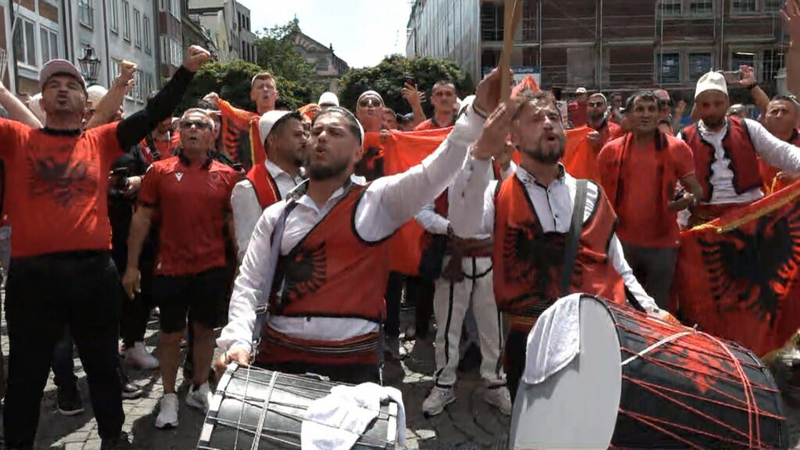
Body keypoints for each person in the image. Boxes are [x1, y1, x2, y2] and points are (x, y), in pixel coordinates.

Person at [214, 69, 507, 385]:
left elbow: (434, 171)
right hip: (280, 366)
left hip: (353, 370)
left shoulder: (377, 201)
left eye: (336, 132)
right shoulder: (276, 216)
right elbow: (249, 286)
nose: (322, 136)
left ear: (358, 152)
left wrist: (476, 113)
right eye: (316, 131)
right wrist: (238, 341)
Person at [0, 45, 210, 450]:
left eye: (71, 85)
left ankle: (113, 438)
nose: (62, 90)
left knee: (102, 367)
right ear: (41, 101)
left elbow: (150, 114)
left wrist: (184, 71)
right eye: (53, 86)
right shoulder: (16, 137)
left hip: (93, 273)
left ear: (84, 104)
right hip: (32, 276)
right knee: (26, 374)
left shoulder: (99, 141)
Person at [449, 90, 665, 400]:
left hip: (594, 338)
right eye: (536, 119)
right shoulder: (495, 195)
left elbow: (619, 268)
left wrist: (653, 313)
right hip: (529, 340)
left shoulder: (590, 193)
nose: (549, 124)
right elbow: (462, 225)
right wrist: (481, 154)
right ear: (514, 138)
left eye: (554, 118)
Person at [123, 108, 240, 429]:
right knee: (170, 334)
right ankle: (170, 395)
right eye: (186, 123)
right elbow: (142, 218)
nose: (192, 129)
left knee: (204, 331)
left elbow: (233, 223)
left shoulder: (227, 175)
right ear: (178, 132)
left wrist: (241, 265)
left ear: (212, 134)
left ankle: (200, 386)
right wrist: (131, 266)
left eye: (200, 124)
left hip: (212, 267)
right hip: (170, 267)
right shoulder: (158, 172)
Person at [415, 147, 513, 417]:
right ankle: (444, 383)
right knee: (447, 327)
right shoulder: (440, 171)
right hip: (452, 258)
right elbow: (421, 210)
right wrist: (447, 228)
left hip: (487, 258)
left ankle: (494, 383)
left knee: (492, 327)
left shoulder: (498, 170)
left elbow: (518, 199)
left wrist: (507, 164)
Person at [598, 91, 703, 309]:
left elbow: (696, 191)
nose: (645, 115)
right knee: (621, 306)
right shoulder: (609, 152)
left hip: (663, 244)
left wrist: (686, 200)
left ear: (660, 115)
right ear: (628, 116)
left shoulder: (677, 148)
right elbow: (601, 199)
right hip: (621, 244)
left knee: (658, 309)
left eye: (651, 109)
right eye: (639, 109)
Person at [678, 71, 800, 226]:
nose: (712, 110)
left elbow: (782, 152)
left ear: (727, 102)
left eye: (718, 103)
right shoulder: (684, 137)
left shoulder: (748, 128)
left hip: (750, 217)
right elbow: (677, 184)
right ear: (697, 106)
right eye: (705, 105)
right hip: (705, 224)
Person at [231, 111, 307, 262]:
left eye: (305, 134)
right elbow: (249, 254)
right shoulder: (249, 189)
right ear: (272, 140)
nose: (305, 140)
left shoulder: (310, 178)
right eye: (297, 135)